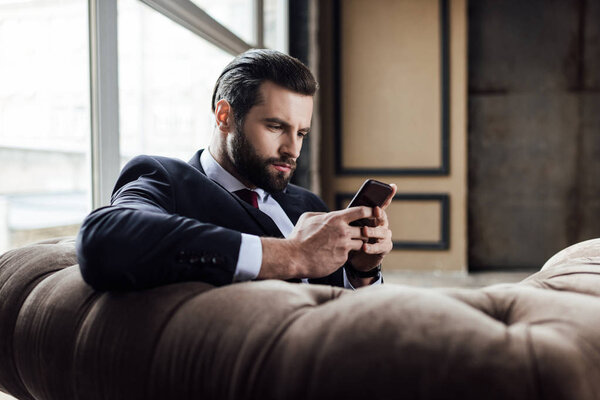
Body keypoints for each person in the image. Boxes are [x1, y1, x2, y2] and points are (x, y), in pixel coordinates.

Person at [76, 49, 397, 291]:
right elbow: (103, 241)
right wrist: (293, 254)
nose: (293, 149)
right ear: (224, 115)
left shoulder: (309, 206)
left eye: (301, 133)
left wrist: (361, 272)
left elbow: (344, 308)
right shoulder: (165, 178)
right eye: (275, 126)